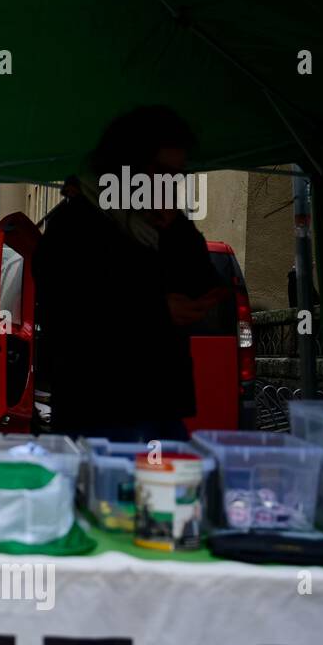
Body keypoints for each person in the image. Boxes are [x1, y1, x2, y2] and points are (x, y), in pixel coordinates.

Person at [34, 106, 225, 442]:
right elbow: (68, 323)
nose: (171, 185)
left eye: (178, 176)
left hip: (161, 410)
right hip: (97, 415)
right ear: (125, 169)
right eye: (163, 173)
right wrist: (158, 311)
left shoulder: (162, 226)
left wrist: (175, 226)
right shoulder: (75, 225)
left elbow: (204, 283)